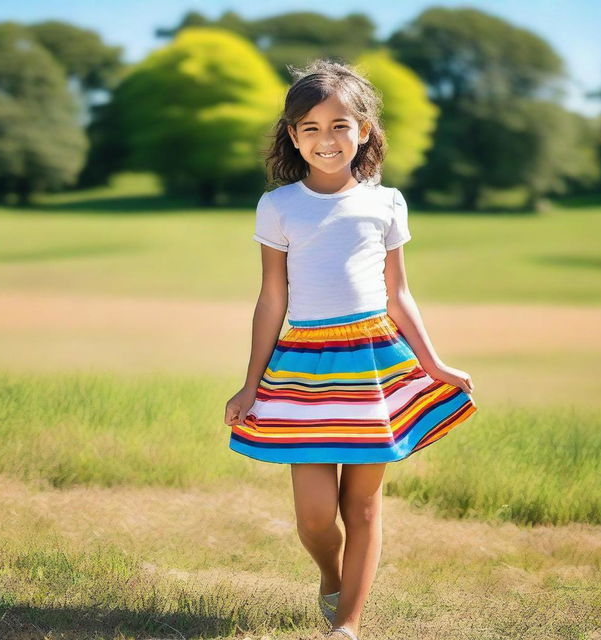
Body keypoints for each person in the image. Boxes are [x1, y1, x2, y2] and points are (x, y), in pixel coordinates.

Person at [224, 58, 478, 640]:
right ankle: (329, 577)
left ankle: (348, 625)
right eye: (309, 128)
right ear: (293, 136)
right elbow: (271, 299)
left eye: (339, 124)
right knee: (315, 516)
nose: (326, 139)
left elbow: (399, 295)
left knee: (361, 507)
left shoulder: (386, 203)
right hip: (303, 367)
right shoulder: (279, 205)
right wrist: (249, 383)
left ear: (363, 129)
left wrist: (434, 364)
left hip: (374, 363)